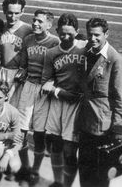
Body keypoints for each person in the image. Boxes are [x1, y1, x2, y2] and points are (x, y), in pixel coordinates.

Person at [78, 18, 122, 187]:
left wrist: (118, 130)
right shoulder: (87, 53)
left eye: (97, 35)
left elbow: (121, 98)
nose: (93, 38)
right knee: (84, 171)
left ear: (107, 34)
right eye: (90, 34)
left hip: (103, 128)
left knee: (100, 176)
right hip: (85, 124)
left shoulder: (116, 61)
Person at [14, 9, 60, 184]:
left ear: (49, 24)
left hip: (44, 91)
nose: (35, 24)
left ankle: (35, 168)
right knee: (22, 130)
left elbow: (59, 68)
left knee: (39, 133)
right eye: (34, 20)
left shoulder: (54, 42)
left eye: (40, 21)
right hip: (28, 87)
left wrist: (52, 81)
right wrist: (19, 75)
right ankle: (25, 166)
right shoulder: (28, 40)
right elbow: (23, 65)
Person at [41, 13, 87, 187]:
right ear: (57, 30)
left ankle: (66, 184)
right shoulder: (52, 53)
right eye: (62, 33)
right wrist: (52, 85)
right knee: (55, 147)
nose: (66, 37)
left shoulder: (85, 47)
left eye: (70, 33)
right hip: (58, 102)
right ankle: (58, 182)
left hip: (76, 105)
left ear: (77, 31)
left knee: (70, 150)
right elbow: (46, 80)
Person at [0, 0, 32, 103]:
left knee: (14, 106)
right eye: (10, 13)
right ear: (4, 10)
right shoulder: (1, 27)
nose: (13, 17)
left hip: (18, 74)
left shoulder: (28, 30)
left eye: (16, 13)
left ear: (22, 12)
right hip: (2, 71)